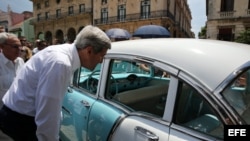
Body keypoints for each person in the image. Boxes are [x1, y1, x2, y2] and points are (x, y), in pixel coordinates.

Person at [0, 25, 111, 141]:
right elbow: (47, 115)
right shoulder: (60, 63)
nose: (101, 61)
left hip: (19, 118)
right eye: (101, 55)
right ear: (89, 51)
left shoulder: (63, 55)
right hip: (19, 123)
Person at [0, 32, 24, 107]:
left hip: (20, 110)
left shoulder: (20, 61)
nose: (19, 49)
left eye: (20, 46)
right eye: (15, 46)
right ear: (2, 46)